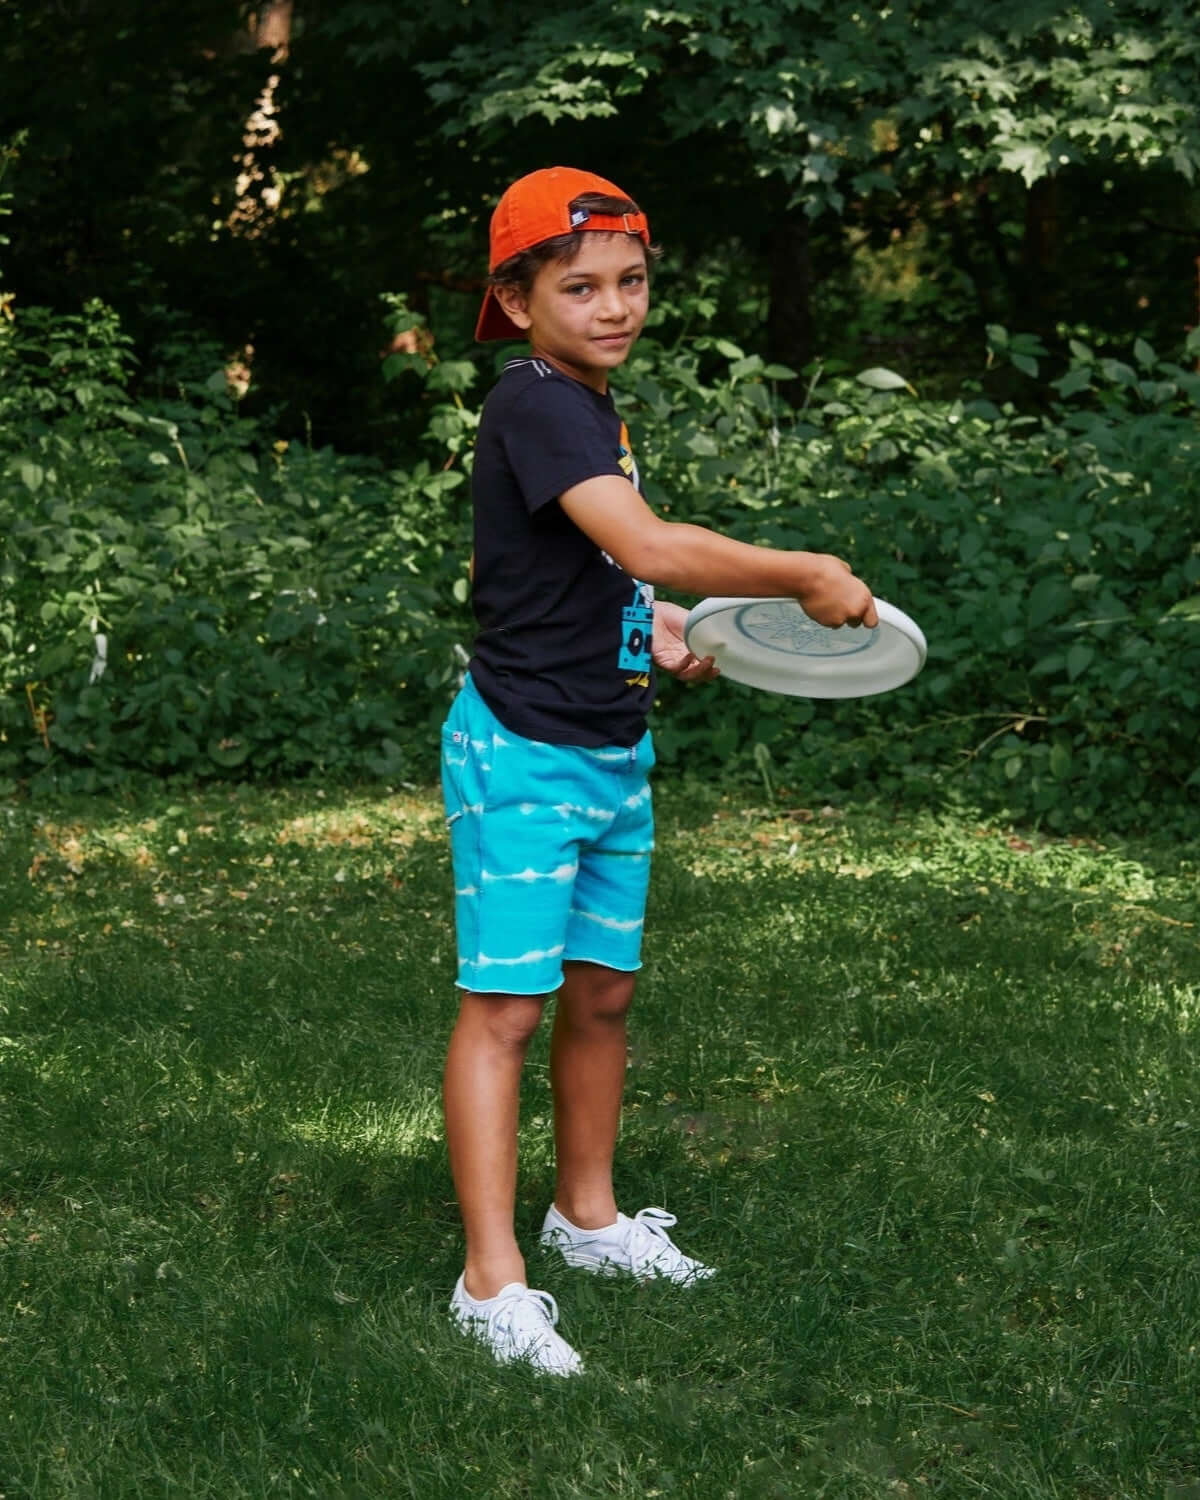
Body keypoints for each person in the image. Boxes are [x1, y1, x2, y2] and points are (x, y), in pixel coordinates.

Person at [441, 165, 876, 1376]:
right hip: (523, 751)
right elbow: (644, 540)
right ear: (518, 300)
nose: (614, 307)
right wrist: (797, 573)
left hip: (610, 748)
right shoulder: (533, 400)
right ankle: (490, 1279)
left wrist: (663, 631)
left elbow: (600, 570)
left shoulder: (590, 407)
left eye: (631, 282)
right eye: (580, 286)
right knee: (506, 1010)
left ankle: (584, 1218)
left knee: (605, 997)